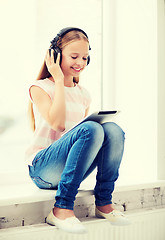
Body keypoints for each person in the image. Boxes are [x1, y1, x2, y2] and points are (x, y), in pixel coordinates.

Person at [25, 27, 129, 234]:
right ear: (55, 55)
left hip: (69, 170)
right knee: (90, 128)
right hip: (42, 169)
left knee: (113, 129)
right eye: (74, 56)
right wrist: (59, 80)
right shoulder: (39, 88)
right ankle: (61, 207)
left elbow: (84, 143)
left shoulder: (84, 95)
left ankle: (104, 202)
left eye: (85, 57)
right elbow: (58, 124)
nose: (80, 63)